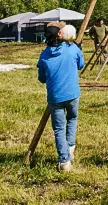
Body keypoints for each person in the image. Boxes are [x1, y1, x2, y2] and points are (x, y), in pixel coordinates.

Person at [37, 23, 85, 172]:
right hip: (72, 94)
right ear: (60, 35)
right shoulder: (72, 49)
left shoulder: (44, 56)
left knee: (58, 128)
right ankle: (70, 147)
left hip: (55, 96)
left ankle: (64, 161)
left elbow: (42, 78)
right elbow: (81, 65)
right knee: (72, 118)